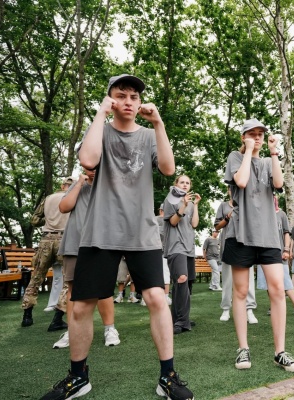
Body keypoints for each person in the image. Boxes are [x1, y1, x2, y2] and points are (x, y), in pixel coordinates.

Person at [39, 74, 193, 400]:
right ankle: (78, 377)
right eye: (121, 95)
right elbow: (88, 160)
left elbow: (168, 168)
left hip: (142, 233)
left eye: (134, 96)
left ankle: (168, 377)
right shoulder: (101, 130)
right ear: (110, 98)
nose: (128, 101)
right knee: (81, 306)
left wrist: (159, 123)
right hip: (100, 232)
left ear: (140, 103)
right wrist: (100, 113)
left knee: (156, 299)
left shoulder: (149, 135)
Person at [222, 118, 294, 372]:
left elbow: (278, 184)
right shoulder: (235, 157)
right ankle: (243, 348)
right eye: (251, 133)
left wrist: (274, 151)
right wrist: (248, 151)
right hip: (240, 234)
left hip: (268, 235)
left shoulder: (268, 161)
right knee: (241, 292)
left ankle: (280, 352)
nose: (257, 137)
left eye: (260, 134)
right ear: (243, 136)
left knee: (277, 289)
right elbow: (241, 181)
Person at [51, 169, 120, 349]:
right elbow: (63, 207)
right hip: (75, 243)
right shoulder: (77, 185)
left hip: (101, 244)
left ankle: (110, 329)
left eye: (97, 166)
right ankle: (72, 331)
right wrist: (80, 183)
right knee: (73, 290)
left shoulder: (110, 185)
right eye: (89, 166)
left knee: (103, 290)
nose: (93, 170)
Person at [21, 177, 72, 329]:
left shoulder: (48, 198)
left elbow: (34, 220)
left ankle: (27, 316)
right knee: (68, 280)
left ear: (62, 185)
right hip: (65, 240)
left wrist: (48, 221)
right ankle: (57, 318)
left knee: (36, 277)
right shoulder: (73, 198)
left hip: (45, 240)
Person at [162, 175, 201, 334]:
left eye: (187, 183)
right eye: (182, 182)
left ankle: (181, 318)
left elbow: (194, 224)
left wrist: (195, 205)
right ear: (176, 184)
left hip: (188, 247)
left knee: (185, 284)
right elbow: (172, 222)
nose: (185, 185)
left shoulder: (190, 203)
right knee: (181, 279)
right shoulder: (170, 200)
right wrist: (183, 206)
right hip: (175, 246)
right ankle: (181, 321)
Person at [214, 188, 258, 323]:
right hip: (228, 245)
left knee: (249, 280)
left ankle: (249, 309)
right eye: (232, 189)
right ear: (229, 191)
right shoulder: (223, 206)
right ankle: (226, 308)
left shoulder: (248, 204)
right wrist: (228, 217)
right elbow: (217, 227)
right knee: (227, 280)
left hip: (246, 245)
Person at [257, 197, 294, 315]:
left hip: (280, 253)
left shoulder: (281, 214)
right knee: (269, 282)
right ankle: (273, 305)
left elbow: (286, 233)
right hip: (264, 253)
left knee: (286, 280)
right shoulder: (260, 213)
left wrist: (286, 249)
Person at [157, 204, 172, 305]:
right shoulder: (169, 221)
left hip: (153, 250)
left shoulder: (153, 219)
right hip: (165, 251)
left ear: (160, 210)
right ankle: (166, 297)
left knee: (152, 275)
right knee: (166, 274)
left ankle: (146, 299)